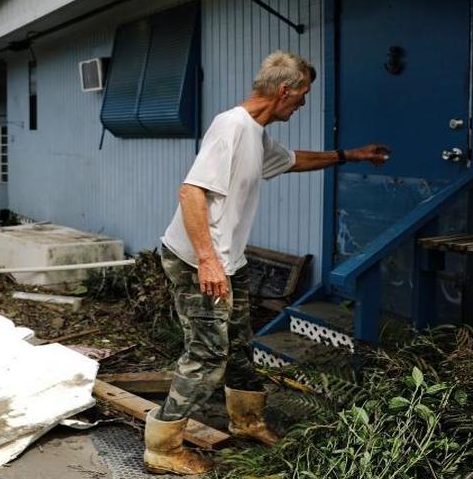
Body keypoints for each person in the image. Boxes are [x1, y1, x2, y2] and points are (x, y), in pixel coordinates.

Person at [143, 51, 390, 475]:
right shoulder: (232, 126)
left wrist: (351, 155)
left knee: (239, 344)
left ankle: (247, 421)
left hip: (227, 260)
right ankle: (163, 445)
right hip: (195, 260)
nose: (304, 103)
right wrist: (207, 261)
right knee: (207, 353)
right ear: (284, 90)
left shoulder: (255, 134)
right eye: (303, 94)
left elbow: (293, 161)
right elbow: (191, 193)